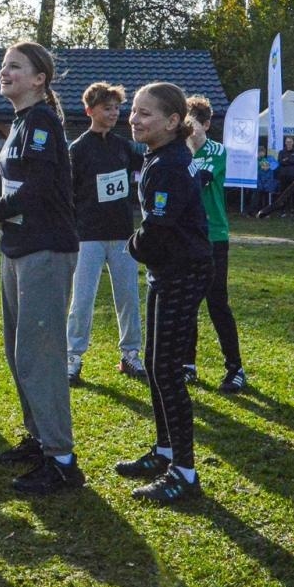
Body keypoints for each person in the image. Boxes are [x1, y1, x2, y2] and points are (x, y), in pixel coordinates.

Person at [0, 41, 84, 495]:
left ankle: (62, 460)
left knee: (40, 355)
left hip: (45, 250)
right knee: (19, 352)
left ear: (40, 79)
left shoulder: (42, 123)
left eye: (15, 66)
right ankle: (38, 440)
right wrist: (0, 212)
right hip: (19, 249)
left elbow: (36, 188)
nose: (4, 72)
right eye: (2, 66)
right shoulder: (21, 122)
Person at [116, 83, 213, 504]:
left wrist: (133, 245)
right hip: (167, 272)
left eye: (145, 114)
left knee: (168, 372)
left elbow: (157, 227)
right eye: (134, 112)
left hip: (182, 274)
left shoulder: (170, 163)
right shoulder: (160, 156)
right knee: (157, 367)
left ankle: (185, 473)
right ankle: (165, 451)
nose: (134, 119)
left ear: (173, 122)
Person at [66, 82, 145, 384]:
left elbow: (149, 162)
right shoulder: (78, 149)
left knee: (128, 297)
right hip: (87, 236)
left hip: (123, 235)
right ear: (90, 110)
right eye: (107, 108)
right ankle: (73, 358)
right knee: (82, 300)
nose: (114, 113)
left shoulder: (123, 145)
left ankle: (131, 355)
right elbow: (69, 193)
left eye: (116, 108)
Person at [185, 95, 247, 393]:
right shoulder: (178, 152)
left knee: (217, 302)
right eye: (182, 125)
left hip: (214, 236)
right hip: (185, 237)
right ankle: (187, 364)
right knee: (187, 303)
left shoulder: (218, 151)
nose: (188, 131)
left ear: (207, 124)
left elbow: (201, 180)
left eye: (193, 125)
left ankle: (235, 368)